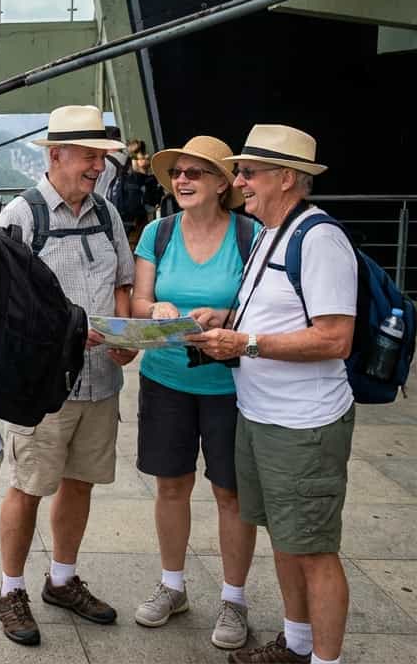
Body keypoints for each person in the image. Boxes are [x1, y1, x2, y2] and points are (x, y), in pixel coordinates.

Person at [187, 125, 355, 664]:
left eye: (248, 172)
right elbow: (271, 311)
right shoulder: (270, 233)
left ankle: (324, 659)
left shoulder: (320, 238)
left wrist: (248, 342)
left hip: (303, 425)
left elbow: (335, 337)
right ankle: (297, 643)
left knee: (314, 550)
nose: (239, 182)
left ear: (287, 178)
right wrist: (224, 321)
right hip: (259, 414)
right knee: (286, 537)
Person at [0, 106, 135, 646]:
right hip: (47, 388)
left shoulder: (108, 215)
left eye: (102, 157)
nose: (99, 167)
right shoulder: (22, 218)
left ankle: (62, 579)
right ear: (56, 155)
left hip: (101, 382)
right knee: (27, 486)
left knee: (80, 482)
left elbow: (121, 282)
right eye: (91, 157)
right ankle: (10, 591)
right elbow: (2, 304)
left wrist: (124, 339)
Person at [129, 136, 257, 649]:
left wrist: (226, 318)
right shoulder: (157, 236)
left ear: (222, 184)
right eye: (177, 173)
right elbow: (139, 302)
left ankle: (233, 598)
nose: (182, 180)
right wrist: (156, 310)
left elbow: (265, 307)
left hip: (231, 385)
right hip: (166, 378)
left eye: (195, 174)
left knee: (231, 493)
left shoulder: (249, 236)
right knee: (171, 486)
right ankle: (173, 585)